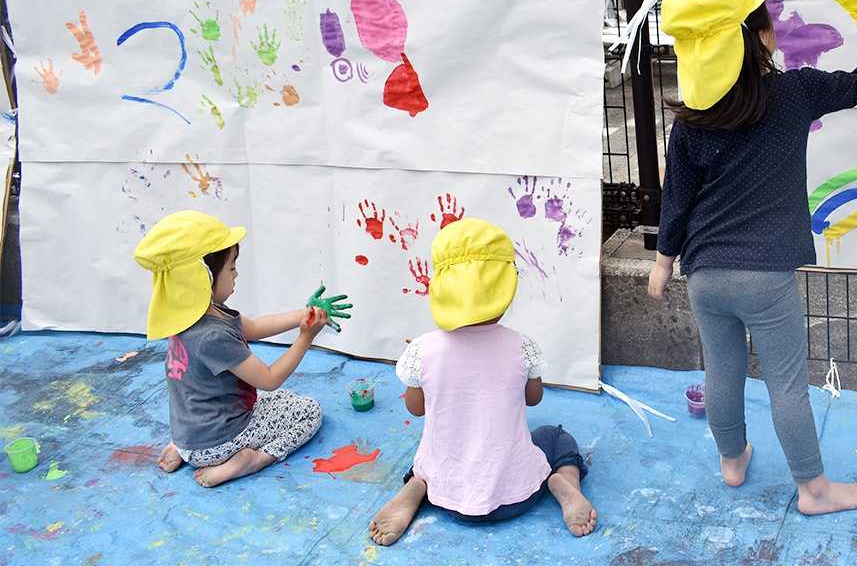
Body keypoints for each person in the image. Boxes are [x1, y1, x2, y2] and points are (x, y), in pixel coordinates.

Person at [647, 0, 857, 515]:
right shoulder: (794, 92)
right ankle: (813, 490)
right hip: (766, 277)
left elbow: (678, 198)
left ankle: (732, 459)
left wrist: (664, 261)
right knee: (786, 385)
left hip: (704, 274)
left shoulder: (692, 120)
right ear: (760, 36)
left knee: (722, 373)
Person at [368, 218, 596, 544]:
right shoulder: (522, 346)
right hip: (519, 494)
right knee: (555, 437)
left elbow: (416, 409)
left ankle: (417, 485)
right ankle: (564, 480)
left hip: (444, 496)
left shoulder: (423, 349)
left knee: (429, 455)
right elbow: (533, 398)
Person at [136, 211, 327, 488]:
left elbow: (254, 327)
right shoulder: (212, 336)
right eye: (231, 267)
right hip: (218, 441)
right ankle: (251, 460)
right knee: (308, 410)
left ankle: (185, 451)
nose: (236, 273)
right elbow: (269, 379)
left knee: (281, 400)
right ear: (201, 277)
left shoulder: (190, 316)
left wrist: (305, 313)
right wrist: (306, 338)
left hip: (189, 433)